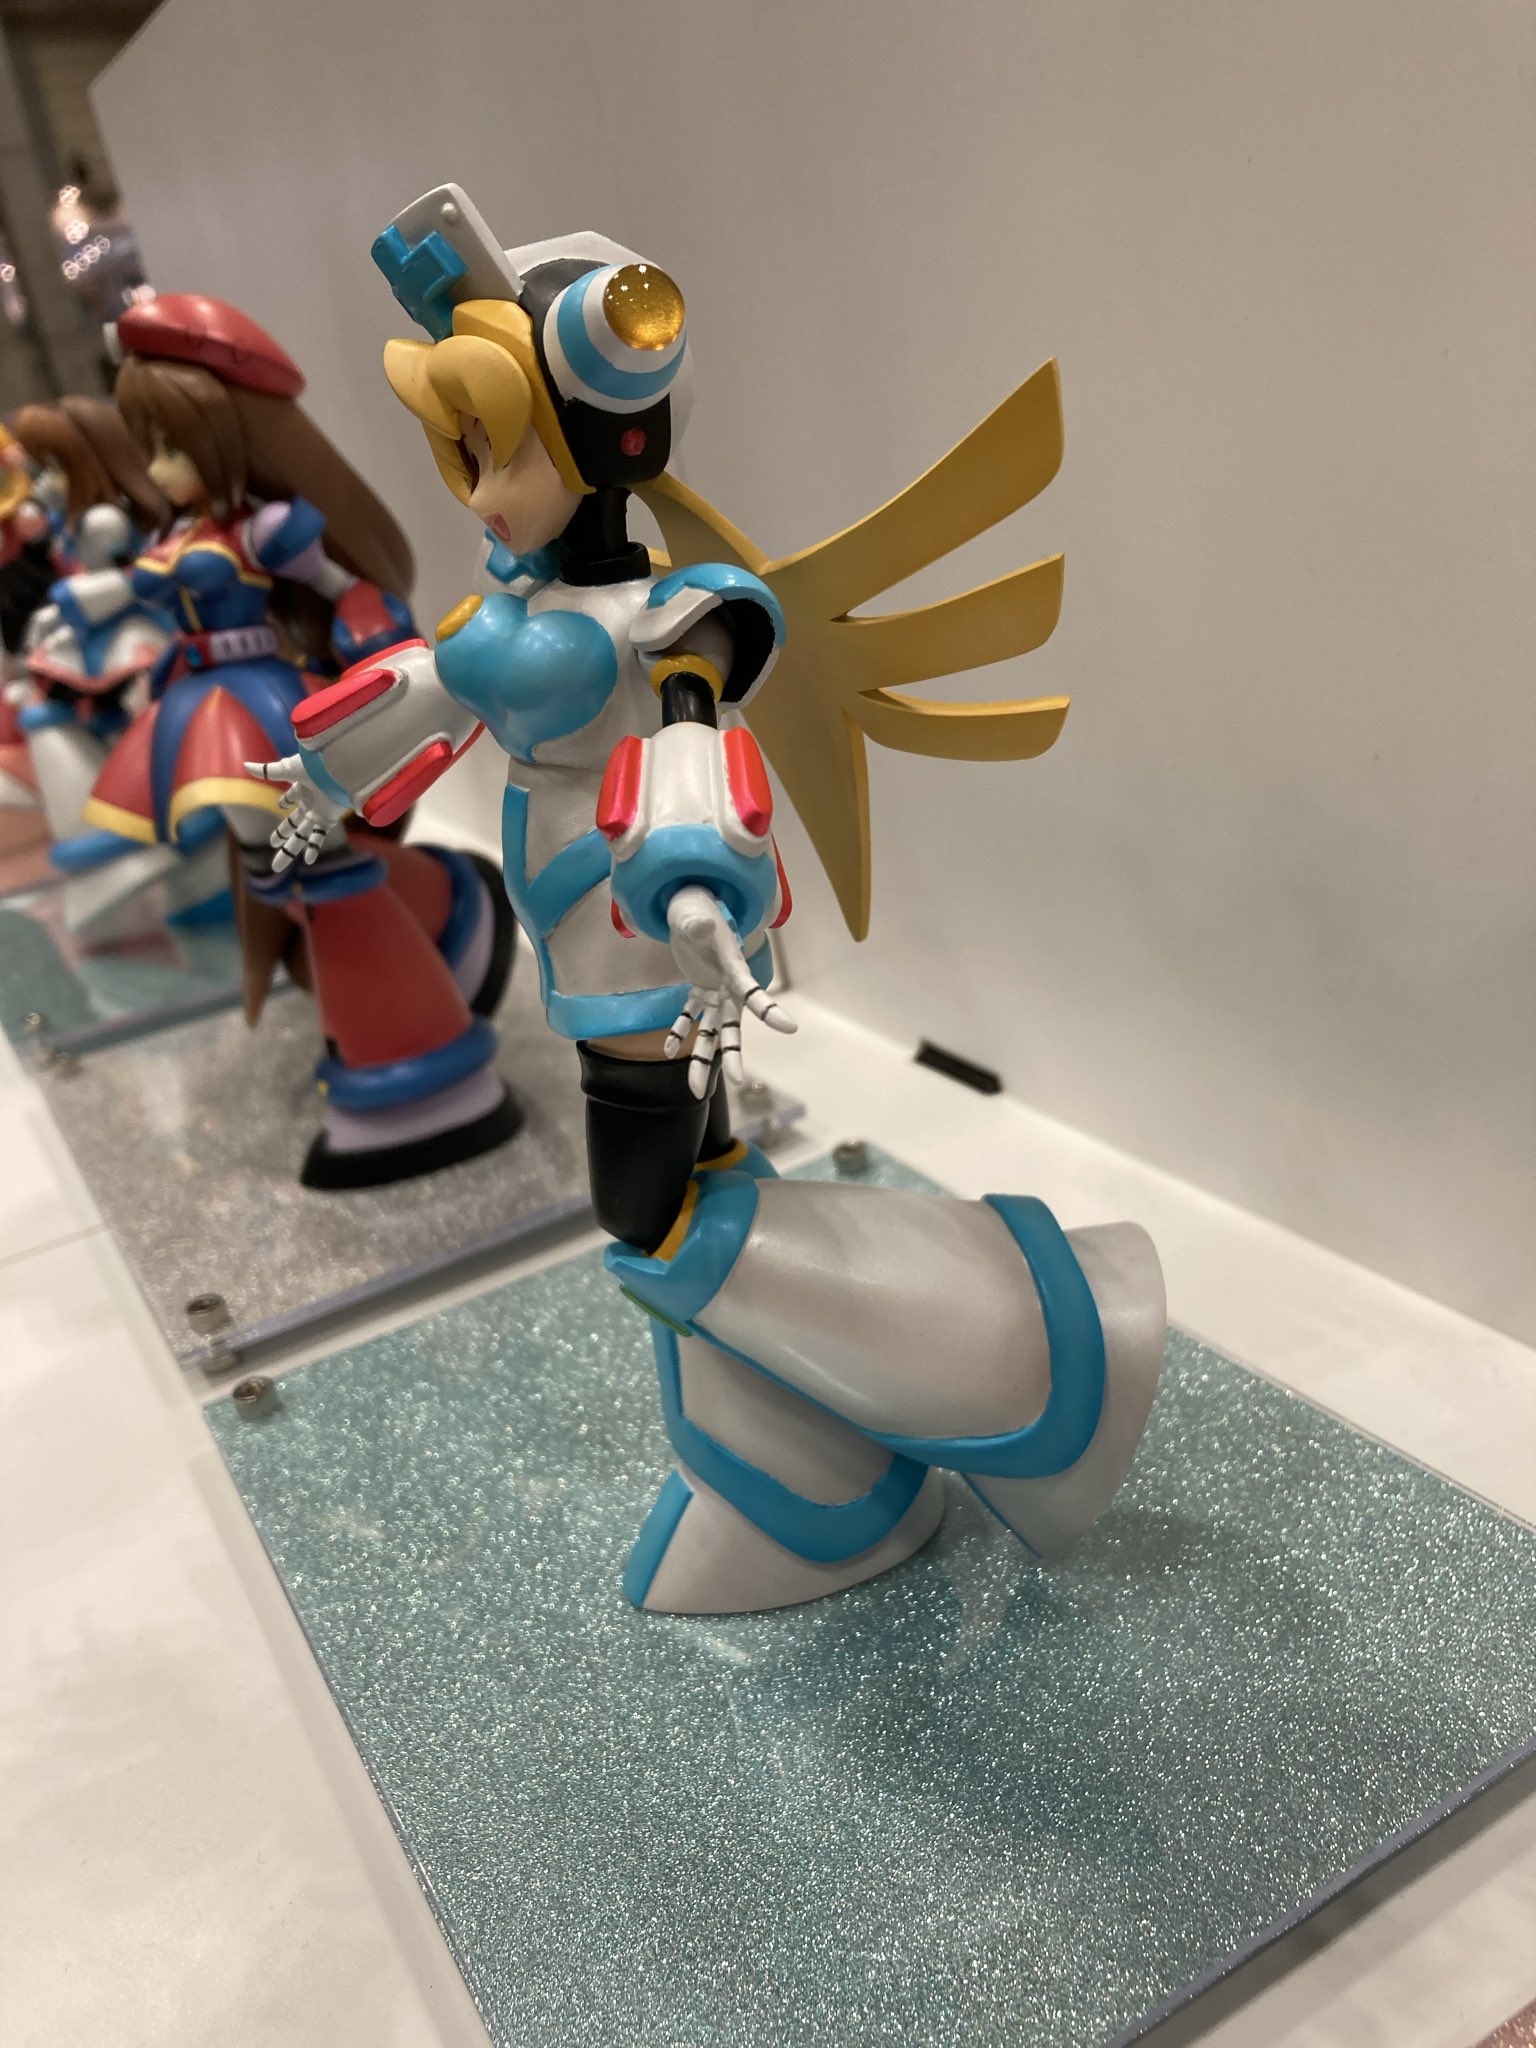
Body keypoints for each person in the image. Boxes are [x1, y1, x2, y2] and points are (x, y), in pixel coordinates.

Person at [259, 185, 1167, 1612]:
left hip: (651, 932)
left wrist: (693, 887)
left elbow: (693, 741)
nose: (482, 490)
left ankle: (1015, 1346)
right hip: (592, 940)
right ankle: (805, 1459)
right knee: (703, 1176)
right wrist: (319, 776)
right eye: (463, 455)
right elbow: (425, 699)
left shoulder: (670, 615)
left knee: (651, 1215)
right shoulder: (511, 611)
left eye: (501, 450)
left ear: (602, 440)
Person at [83, 294, 519, 1186]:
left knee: (302, 860)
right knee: (278, 867)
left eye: (172, 445)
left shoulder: (265, 529)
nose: (159, 468)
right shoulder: (181, 530)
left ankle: (417, 1058)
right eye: (150, 446)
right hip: (198, 702)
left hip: (258, 700)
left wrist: (369, 653)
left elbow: (349, 590)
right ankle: (437, 921)